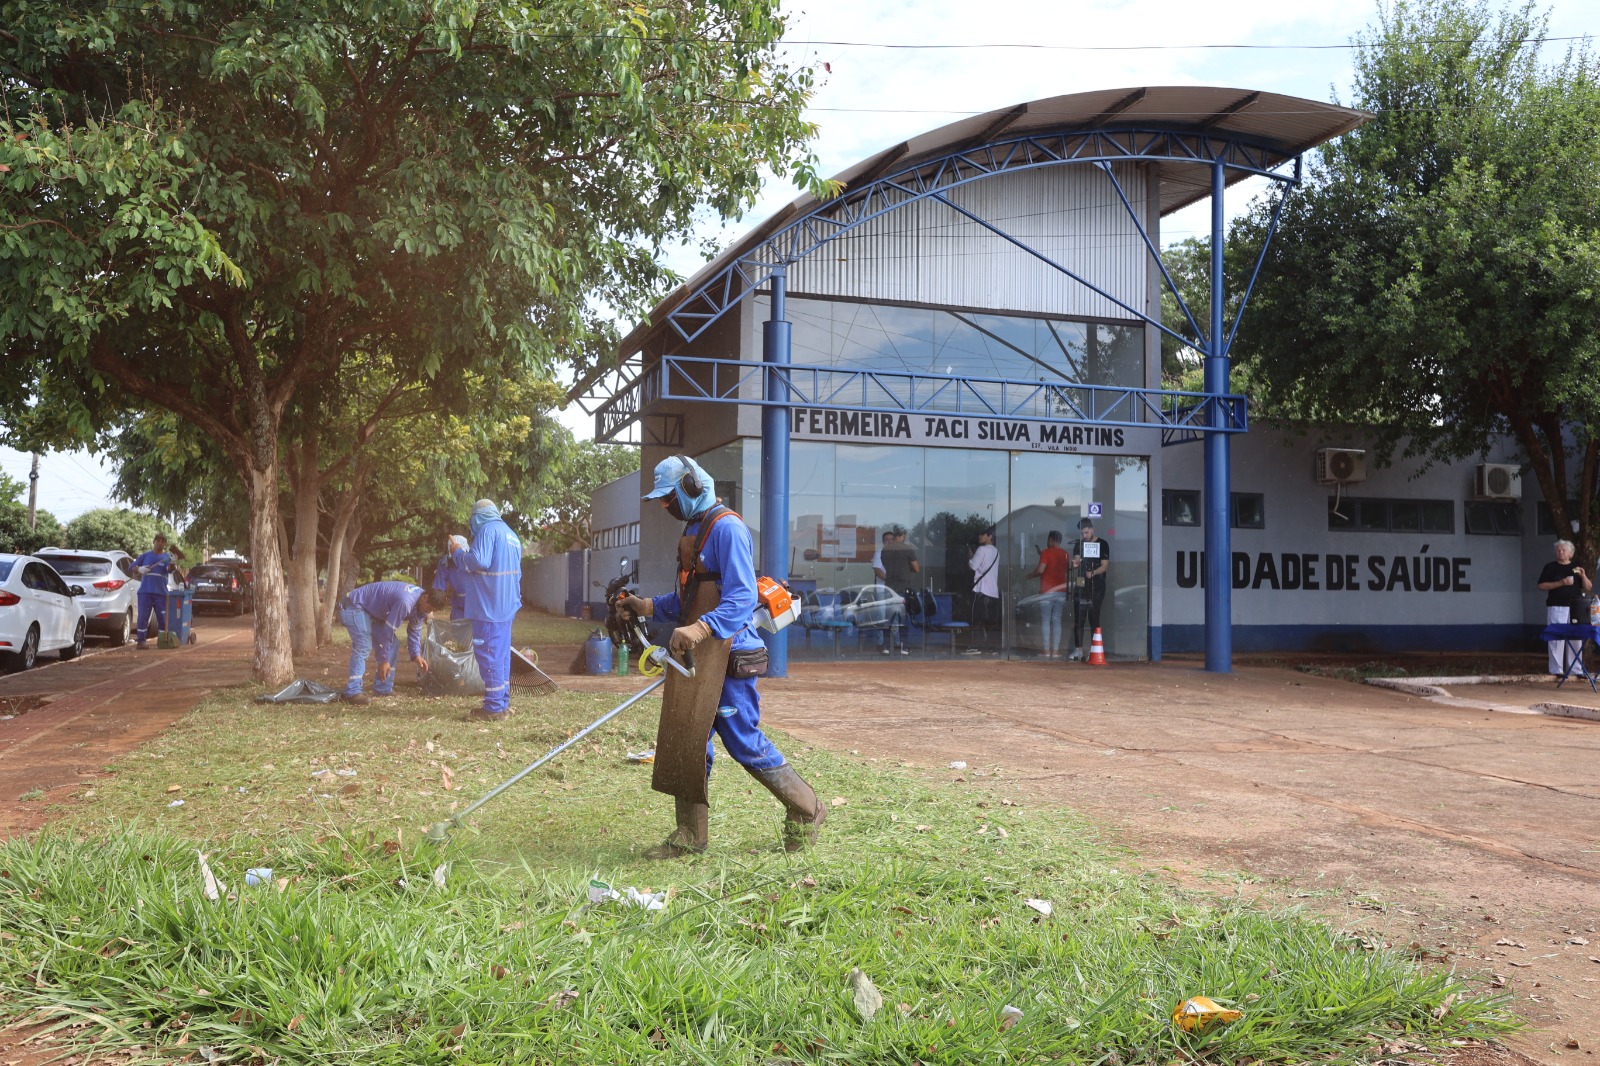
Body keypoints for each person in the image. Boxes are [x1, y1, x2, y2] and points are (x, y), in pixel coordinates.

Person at [619, 454, 824, 858]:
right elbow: (688, 598)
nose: (665, 505)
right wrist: (646, 606)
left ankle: (807, 810)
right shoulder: (694, 528)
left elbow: (741, 597)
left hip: (730, 654)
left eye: (669, 497)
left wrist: (699, 629)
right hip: (700, 655)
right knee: (688, 740)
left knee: (743, 740)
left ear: (692, 486)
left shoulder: (727, 528)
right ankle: (689, 837)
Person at [450, 500, 524, 721]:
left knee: (489, 655)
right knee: (500, 656)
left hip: (489, 606)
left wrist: (457, 553)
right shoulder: (511, 535)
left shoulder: (487, 530)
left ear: (479, 516)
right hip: (506, 606)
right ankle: (501, 702)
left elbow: (478, 561)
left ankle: (493, 708)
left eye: (472, 517)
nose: (471, 522)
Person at [337, 582, 450, 705]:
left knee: (393, 644)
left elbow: (414, 631)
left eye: (432, 610)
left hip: (371, 612)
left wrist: (416, 655)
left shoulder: (422, 604)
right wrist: (384, 660)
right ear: (425, 597)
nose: (428, 611)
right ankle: (352, 692)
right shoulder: (405, 602)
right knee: (363, 645)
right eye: (429, 608)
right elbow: (388, 630)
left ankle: (383, 688)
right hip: (355, 605)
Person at [1537, 539, 1591, 676]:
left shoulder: (1577, 567)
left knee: (1576, 638)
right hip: (1557, 606)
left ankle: (1575, 669)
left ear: (1570, 553)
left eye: (1563, 550)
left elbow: (1588, 587)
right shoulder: (1550, 567)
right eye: (1558, 550)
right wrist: (1561, 583)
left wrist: (1583, 576)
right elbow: (1541, 585)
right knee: (1557, 637)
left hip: (1575, 608)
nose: (1560, 552)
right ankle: (1556, 670)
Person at [132, 533, 185, 649]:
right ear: (154, 542)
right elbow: (131, 567)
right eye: (158, 541)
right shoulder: (145, 556)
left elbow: (169, 570)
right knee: (143, 617)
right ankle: (141, 642)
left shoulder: (166, 557)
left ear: (165, 544)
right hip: (145, 592)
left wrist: (173, 563)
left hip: (161, 593)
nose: (160, 543)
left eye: (163, 541)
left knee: (162, 619)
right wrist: (140, 569)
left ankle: (163, 641)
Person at [1069, 517, 1110, 660]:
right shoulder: (1079, 544)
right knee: (1079, 618)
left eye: (1086, 532)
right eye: (1082, 533)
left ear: (1092, 529)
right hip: (1081, 585)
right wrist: (1076, 563)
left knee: (1094, 618)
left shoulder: (1102, 544)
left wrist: (1093, 573)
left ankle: (1094, 650)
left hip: (1097, 585)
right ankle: (1079, 649)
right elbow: (1076, 558)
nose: (1084, 535)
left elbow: (1105, 566)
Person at [877, 527, 920, 655]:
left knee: (888, 618)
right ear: (902, 536)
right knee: (903, 618)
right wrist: (906, 568)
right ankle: (904, 647)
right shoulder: (907, 549)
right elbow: (916, 568)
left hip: (889, 587)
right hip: (902, 587)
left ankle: (886, 647)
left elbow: (885, 566)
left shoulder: (885, 550)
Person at [1028, 530, 1070, 660]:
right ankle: (1056, 651)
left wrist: (1031, 575)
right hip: (1061, 591)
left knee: (1046, 620)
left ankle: (1046, 650)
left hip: (1047, 591)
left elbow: (1041, 569)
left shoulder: (1046, 553)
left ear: (1051, 539)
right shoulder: (1065, 554)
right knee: (1057, 620)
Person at [966, 526, 1000, 654]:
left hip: (981, 591)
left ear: (990, 536)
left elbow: (973, 566)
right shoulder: (996, 552)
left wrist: (970, 557)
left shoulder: (981, 549)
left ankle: (976, 646)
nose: (980, 536)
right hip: (993, 592)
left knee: (977, 620)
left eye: (983, 534)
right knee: (990, 622)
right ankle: (991, 648)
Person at [431, 551, 467, 620]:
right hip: (458, 607)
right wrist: (430, 610)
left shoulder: (475, 559)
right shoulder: (445, 562)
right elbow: (438, 590)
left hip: (478, 607)